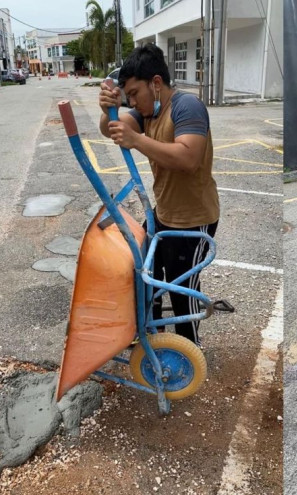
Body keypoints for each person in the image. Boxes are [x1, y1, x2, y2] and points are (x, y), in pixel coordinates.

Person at [98, 43, 220, 347]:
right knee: (143, 273)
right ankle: (151, 335)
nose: (132, 102)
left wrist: (136, 140)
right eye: (127, 96)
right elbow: (112, 129)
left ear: (155, 83)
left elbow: (188, 158)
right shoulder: (146, 113)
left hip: (193, 219)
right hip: (163, 213)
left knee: (181, 289)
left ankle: (190, 349)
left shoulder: (186, 106)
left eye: (134, 93)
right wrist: (107, 110)